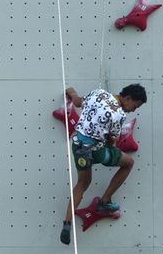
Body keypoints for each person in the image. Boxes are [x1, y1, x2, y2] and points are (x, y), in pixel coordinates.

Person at [60, 84, 147, 245]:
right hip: (97, 151)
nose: (133, 110)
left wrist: (72, 92)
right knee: (128, 163)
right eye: (135, 106)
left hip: (78, 147)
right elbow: (111, 140)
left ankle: (66, 224)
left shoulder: (98, 93)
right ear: (128, 98)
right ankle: (105, 201)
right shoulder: (119, 115)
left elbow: (78, 102)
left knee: (82, 183)